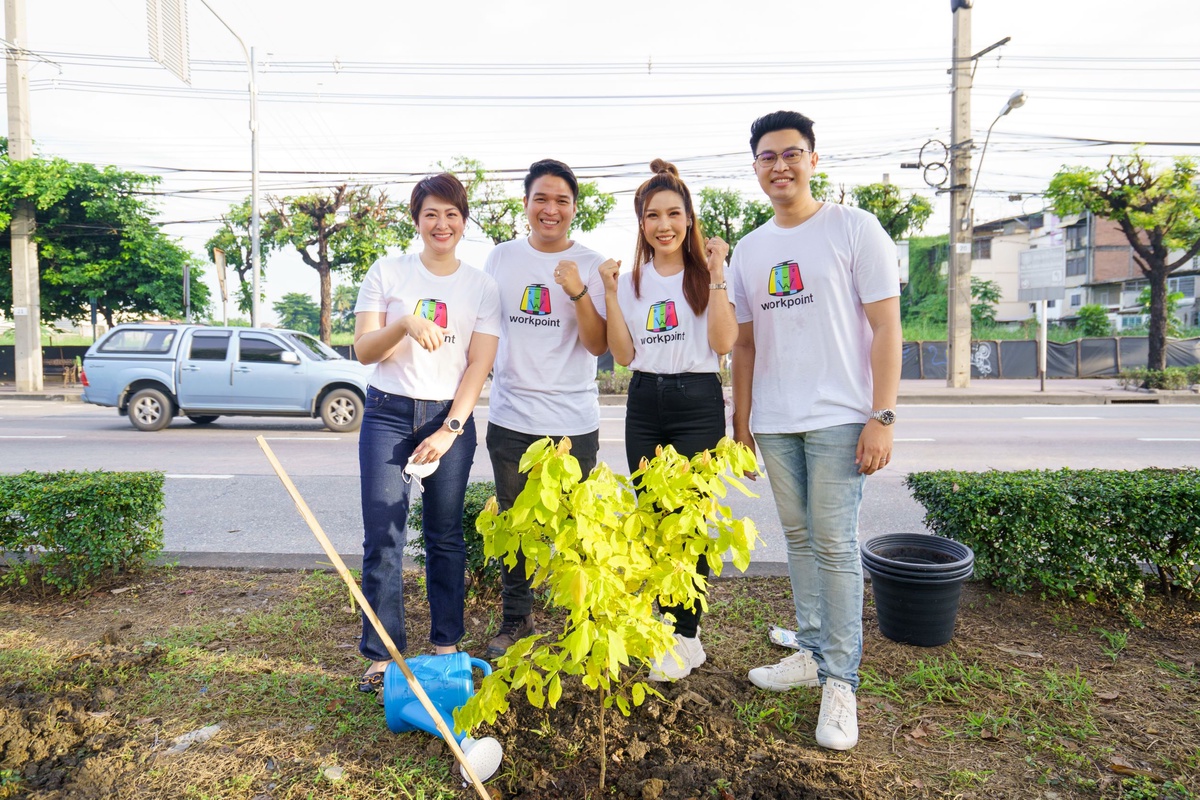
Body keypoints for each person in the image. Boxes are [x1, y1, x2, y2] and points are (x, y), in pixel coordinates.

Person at [729, 111, 902, 750]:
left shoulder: (854, 228)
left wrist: (881, 415)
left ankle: (841, 683)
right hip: (775, 421)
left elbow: (887, 327)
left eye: (791, 153)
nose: (780, 165)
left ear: (813, 159)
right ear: (755, 167)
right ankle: (808, 652)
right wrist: (741, 423)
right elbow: (744, 346)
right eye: (767, 156)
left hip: (839, 417)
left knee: (834, 544)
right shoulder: (750, 250)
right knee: (799, 541)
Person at [352, 173, 501, 693]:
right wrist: (405, 324)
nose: (442, 223)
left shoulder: (481, 285)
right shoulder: (388, 272)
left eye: (452, 214)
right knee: (384, 535)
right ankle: (382, 653)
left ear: (464, 221)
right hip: (387, 413)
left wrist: (451, 429)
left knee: (444, 536)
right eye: (431, 213)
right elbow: (365, 351)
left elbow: (479, 364)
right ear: (416, 220)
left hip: (449, 416)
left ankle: (446, 643)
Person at [599, 159, 736, 681]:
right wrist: (610, 294)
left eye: (674, 213)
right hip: (646, 402)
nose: (664, 224)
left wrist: (719, 275)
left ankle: (687, 636)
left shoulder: (707, 276)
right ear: (641, 223)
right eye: (653, 215)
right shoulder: (631, 282)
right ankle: (666, 628)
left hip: (698, 400)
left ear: (688, 218)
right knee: (654, 520)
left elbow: (723, 344)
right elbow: (624, 355)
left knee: (690, 521)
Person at [483, 159, 617, 659]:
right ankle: (516, 619)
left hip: (572, 423)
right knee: (516, 527)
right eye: (541, 198)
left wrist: (578, 290)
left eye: (561, 200)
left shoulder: (592, 262)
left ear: (574, 209)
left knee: (576, 529)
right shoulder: (500, 259)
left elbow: (598, 342)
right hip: (512, 417)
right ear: (526, 205)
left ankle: (580, 622)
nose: (551, 209)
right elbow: (486, 328)